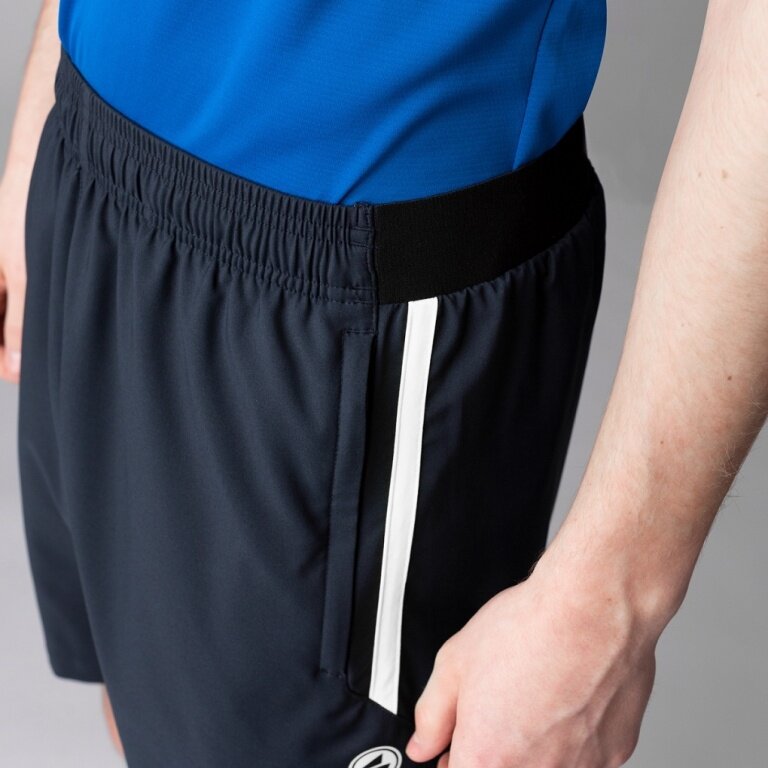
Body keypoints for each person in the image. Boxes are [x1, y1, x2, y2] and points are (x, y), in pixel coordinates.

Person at [1, 0, 766, 766]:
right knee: (146, 718)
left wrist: (615, 598)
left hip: (353, 288)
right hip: (93, 152)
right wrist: (43, 104)